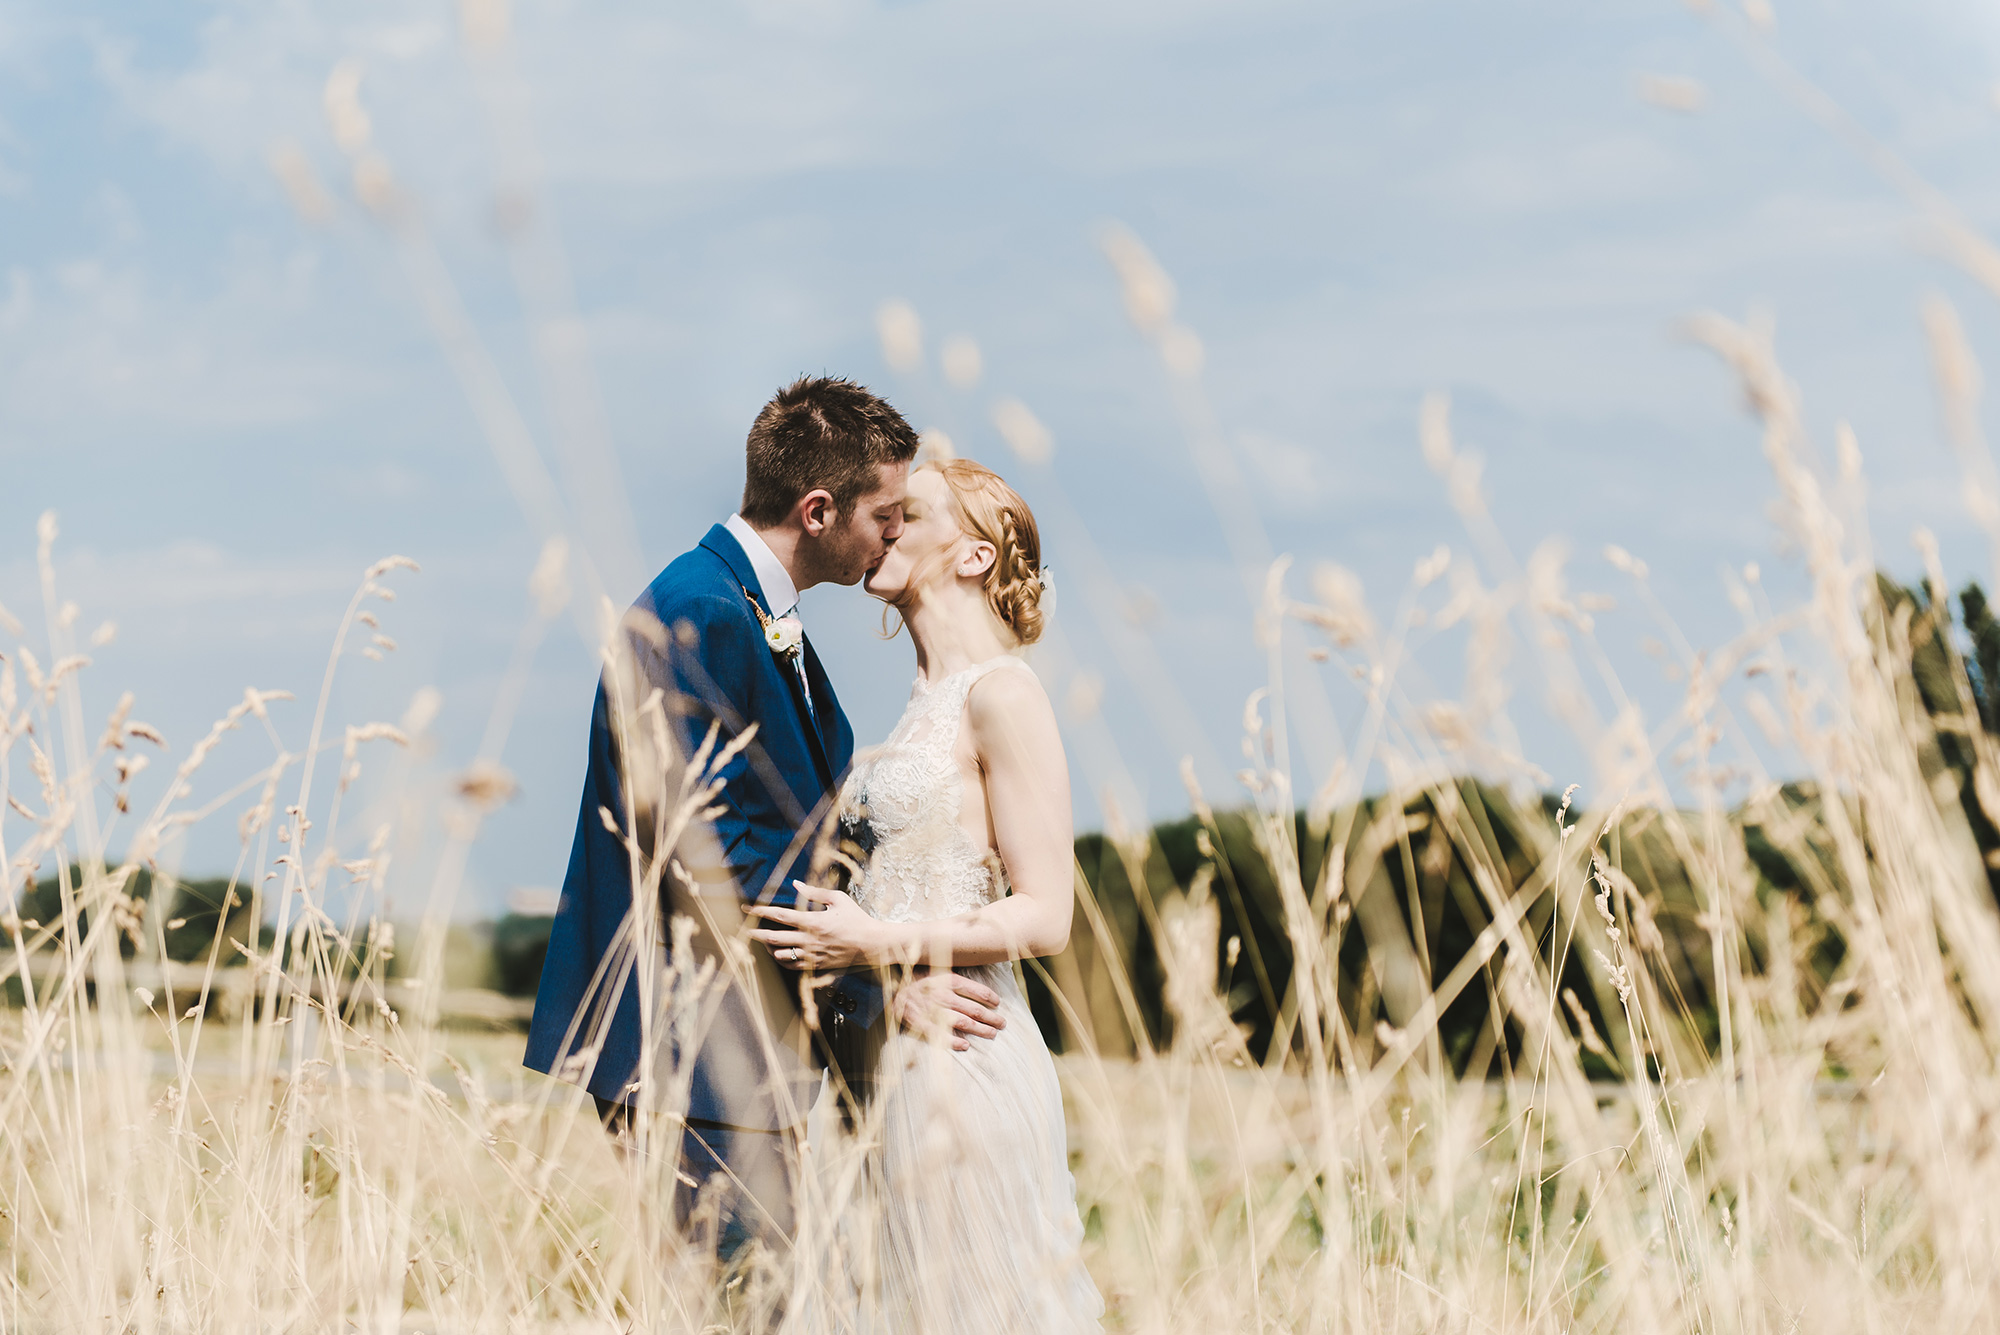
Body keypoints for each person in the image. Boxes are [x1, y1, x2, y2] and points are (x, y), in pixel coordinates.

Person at [523, 377, 1009, 1262]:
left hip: (743, 1040)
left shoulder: (746, 606)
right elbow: (707, 849)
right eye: (887, 512)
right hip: (690, 1049)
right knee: (748, 1304)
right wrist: (883, 978)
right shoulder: (704, 610)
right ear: (820, 509)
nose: (895, 532)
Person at [747, 458, 1105, 1332]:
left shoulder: (1003, 695)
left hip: (966, 1057)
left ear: (975, 558)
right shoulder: (918, 703)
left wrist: (873, 945)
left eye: (908, 512)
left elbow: (1046, 913)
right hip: (894, 1052)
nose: (884, 524)